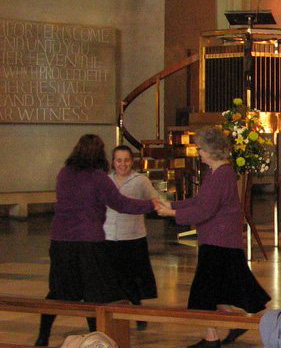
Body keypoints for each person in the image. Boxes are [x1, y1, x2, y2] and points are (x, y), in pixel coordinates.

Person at [34, 134, 157, 346]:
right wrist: (152, 205)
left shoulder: (64, 173)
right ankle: (97, 340)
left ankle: (42, 337)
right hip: (89, 242)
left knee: (57, 291)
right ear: (99, 153)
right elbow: (122, 204)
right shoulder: (99, 178)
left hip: (60, 242)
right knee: (94, 294)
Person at [156, 126, 271, 348]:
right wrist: (171, 204)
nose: (199, 152)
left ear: (211, 150)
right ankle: (233, 323)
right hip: (218, 241)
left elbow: (205, 210)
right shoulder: (215, 173)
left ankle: (213, 338)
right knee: (226, 289)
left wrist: (172, 213)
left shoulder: (223, 174)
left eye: (201, 148)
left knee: (204, 293)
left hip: (220, 242)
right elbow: (198, 202)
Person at [103, 145, 159, 330]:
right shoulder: (105, 180)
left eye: (126, 160)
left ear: (131, 161)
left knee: (133, 281)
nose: (122, 164)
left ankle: (138, 314)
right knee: (112, 280)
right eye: (119, 160)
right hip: (109, 238)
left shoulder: (140, 181)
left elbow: (155, 200)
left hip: (133, 238)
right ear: (113, 162)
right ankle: (115, 317)